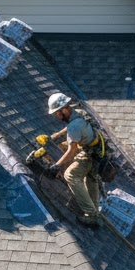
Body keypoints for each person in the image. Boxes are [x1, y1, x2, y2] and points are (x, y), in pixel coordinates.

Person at [45, 92, 102, 226]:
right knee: (91, 179)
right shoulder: (78, 112)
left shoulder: (74, 127)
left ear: (64, 109)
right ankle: (94, 211)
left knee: (70, 175)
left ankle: (91, 215)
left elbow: (72, 151)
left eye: (57, 113)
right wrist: (59, 134)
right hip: (98, 151)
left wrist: (56, 166)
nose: (57, 116)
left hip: (89, 153)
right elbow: (72, 125)